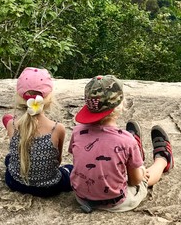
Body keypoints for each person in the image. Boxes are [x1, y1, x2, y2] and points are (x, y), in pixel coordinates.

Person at [68, 75, 174, 212]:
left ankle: (132, 155)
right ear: (121, 105)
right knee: (143, 177)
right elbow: (134, 181)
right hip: (117, 202)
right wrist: (140, 172)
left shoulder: (77, 132)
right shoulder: (125, 140)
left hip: (82, 198)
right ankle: (163, 159)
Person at [2, 67, 73, 196]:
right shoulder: (57, 129)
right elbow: (58, 160)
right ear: (49, 99)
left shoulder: (12, 125)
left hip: (14, 181)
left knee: (9, 159)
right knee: (70, 170)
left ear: (19, 97)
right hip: (48, 188)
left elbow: (6, 119)